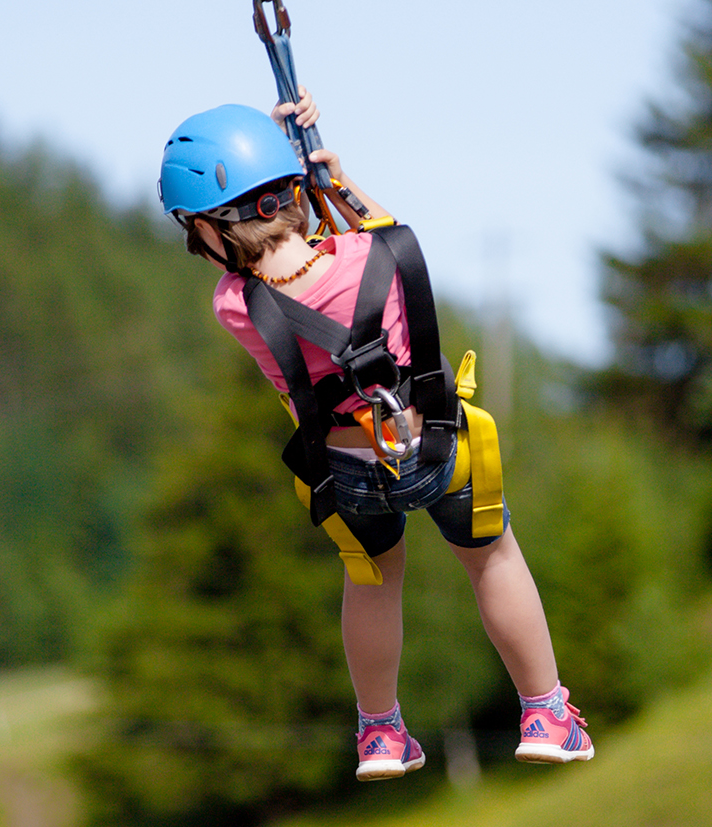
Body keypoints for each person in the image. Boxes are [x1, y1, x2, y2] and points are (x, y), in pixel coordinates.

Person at [157, 88, 593, 781]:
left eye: (194, 232)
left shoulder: (234, 307)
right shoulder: (378, 253)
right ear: (292, 194)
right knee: (492, 557)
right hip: (435, 447)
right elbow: (368, 223)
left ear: (215, 230)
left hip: (346, 472)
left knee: (371, 580)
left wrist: (284, 170)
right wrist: (326, 171)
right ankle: (545, 712)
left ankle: (381, 730)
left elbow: (274, 260)